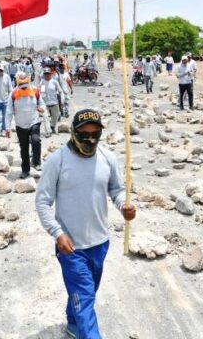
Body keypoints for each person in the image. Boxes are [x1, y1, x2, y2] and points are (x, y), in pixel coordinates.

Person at [35, 109, 136, 339]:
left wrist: (124, 207)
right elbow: (42, 202)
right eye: (84, 134)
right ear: (73, 132)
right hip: (71, 247)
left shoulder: (107, 158)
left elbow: (117, 190)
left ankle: (72, 323)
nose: (90, 140)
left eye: (95, 134)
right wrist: (57, 233)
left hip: (100, 243)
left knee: (86, 293)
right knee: (85, 295)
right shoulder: (57, 160)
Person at [6, 72, 45, 179]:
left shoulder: (35, 91)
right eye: (21, 86)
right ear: (17, 84)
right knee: (24, 148)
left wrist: (42, 108)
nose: (23, 88)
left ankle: (36, 162)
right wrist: (7, 127)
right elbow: (9, 111)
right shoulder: (13, 94)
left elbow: (42, 104)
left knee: (36, 140)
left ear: (28, 82)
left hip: (34, 122)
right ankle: (25, 170)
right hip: (20, 125)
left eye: (25, 86)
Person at [40, 67, 65, 137]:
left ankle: (52, 126)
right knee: (45, 118)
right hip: (45, 104)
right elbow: (41, 93)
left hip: (54, 103)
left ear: (50, 74)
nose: (47, 75)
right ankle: (48, 131)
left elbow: (61, 91)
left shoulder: (54, 82)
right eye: (45, 74)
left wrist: (62, 100)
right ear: (44, 74)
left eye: (48, 74)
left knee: (56, 117)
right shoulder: (42, 83)